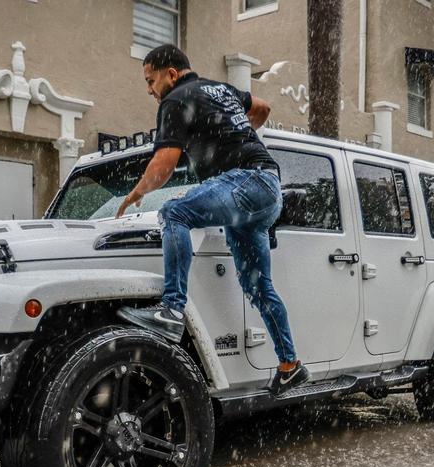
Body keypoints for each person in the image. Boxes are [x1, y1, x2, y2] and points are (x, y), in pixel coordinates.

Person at [115, 44, 309, 397]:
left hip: (246, 182)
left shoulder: (175, 100)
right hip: (266, 191)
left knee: (175, 211)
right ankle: (290, 366)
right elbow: (263, 109)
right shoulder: (221, 89)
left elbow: (163, 165)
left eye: (151, 80)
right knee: (257, 287)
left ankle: (172, 310)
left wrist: (136, 194)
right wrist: (232, 137)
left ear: (171, 74)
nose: (149, 90)